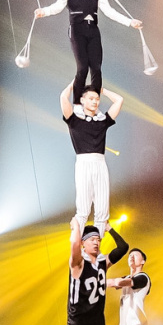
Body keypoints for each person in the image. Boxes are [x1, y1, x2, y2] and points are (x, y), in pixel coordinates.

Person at [36, 0, 142, 104]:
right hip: (77, 30)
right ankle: (78, 104)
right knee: (82, 67)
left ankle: (94, 102)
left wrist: (130, 22)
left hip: (93, 30)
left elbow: (108, 11)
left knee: (97, 69)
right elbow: (58, 6)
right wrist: (43, 11)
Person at [60, 82, 123, 238]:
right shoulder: (74, 120)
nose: (95, 101)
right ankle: (76, 248)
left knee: (102, 211)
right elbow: (63, 97)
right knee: (83, 210)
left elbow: (119, 100)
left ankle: (95, 251)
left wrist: (102, 90)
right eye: (91, 98)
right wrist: (74, 84)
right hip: (83, 163)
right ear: (82, 100)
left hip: (100, 163)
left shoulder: (102, 120)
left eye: (97, 99)